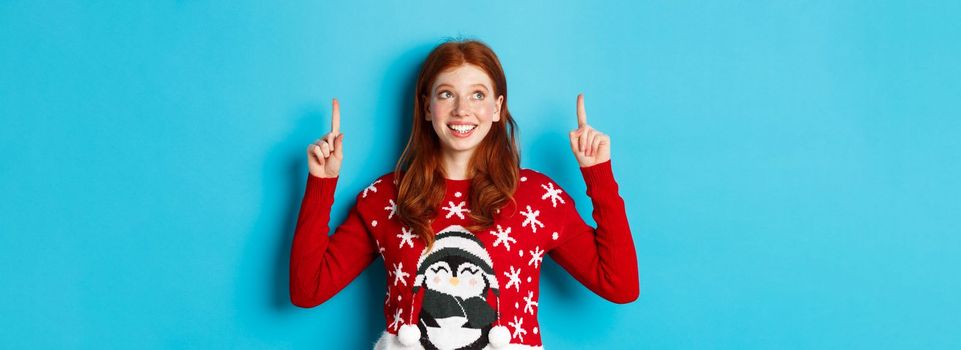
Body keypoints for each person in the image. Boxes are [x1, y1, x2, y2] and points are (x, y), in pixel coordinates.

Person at [290, 39, 639, 350]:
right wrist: (322, 182)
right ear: (427, 107)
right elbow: (308, 290)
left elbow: (619, 285)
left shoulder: (537, 197)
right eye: (446, 94)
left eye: (477, 94)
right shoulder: (386, 197)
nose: (462, 110)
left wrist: (599, 174)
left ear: (497, 108)